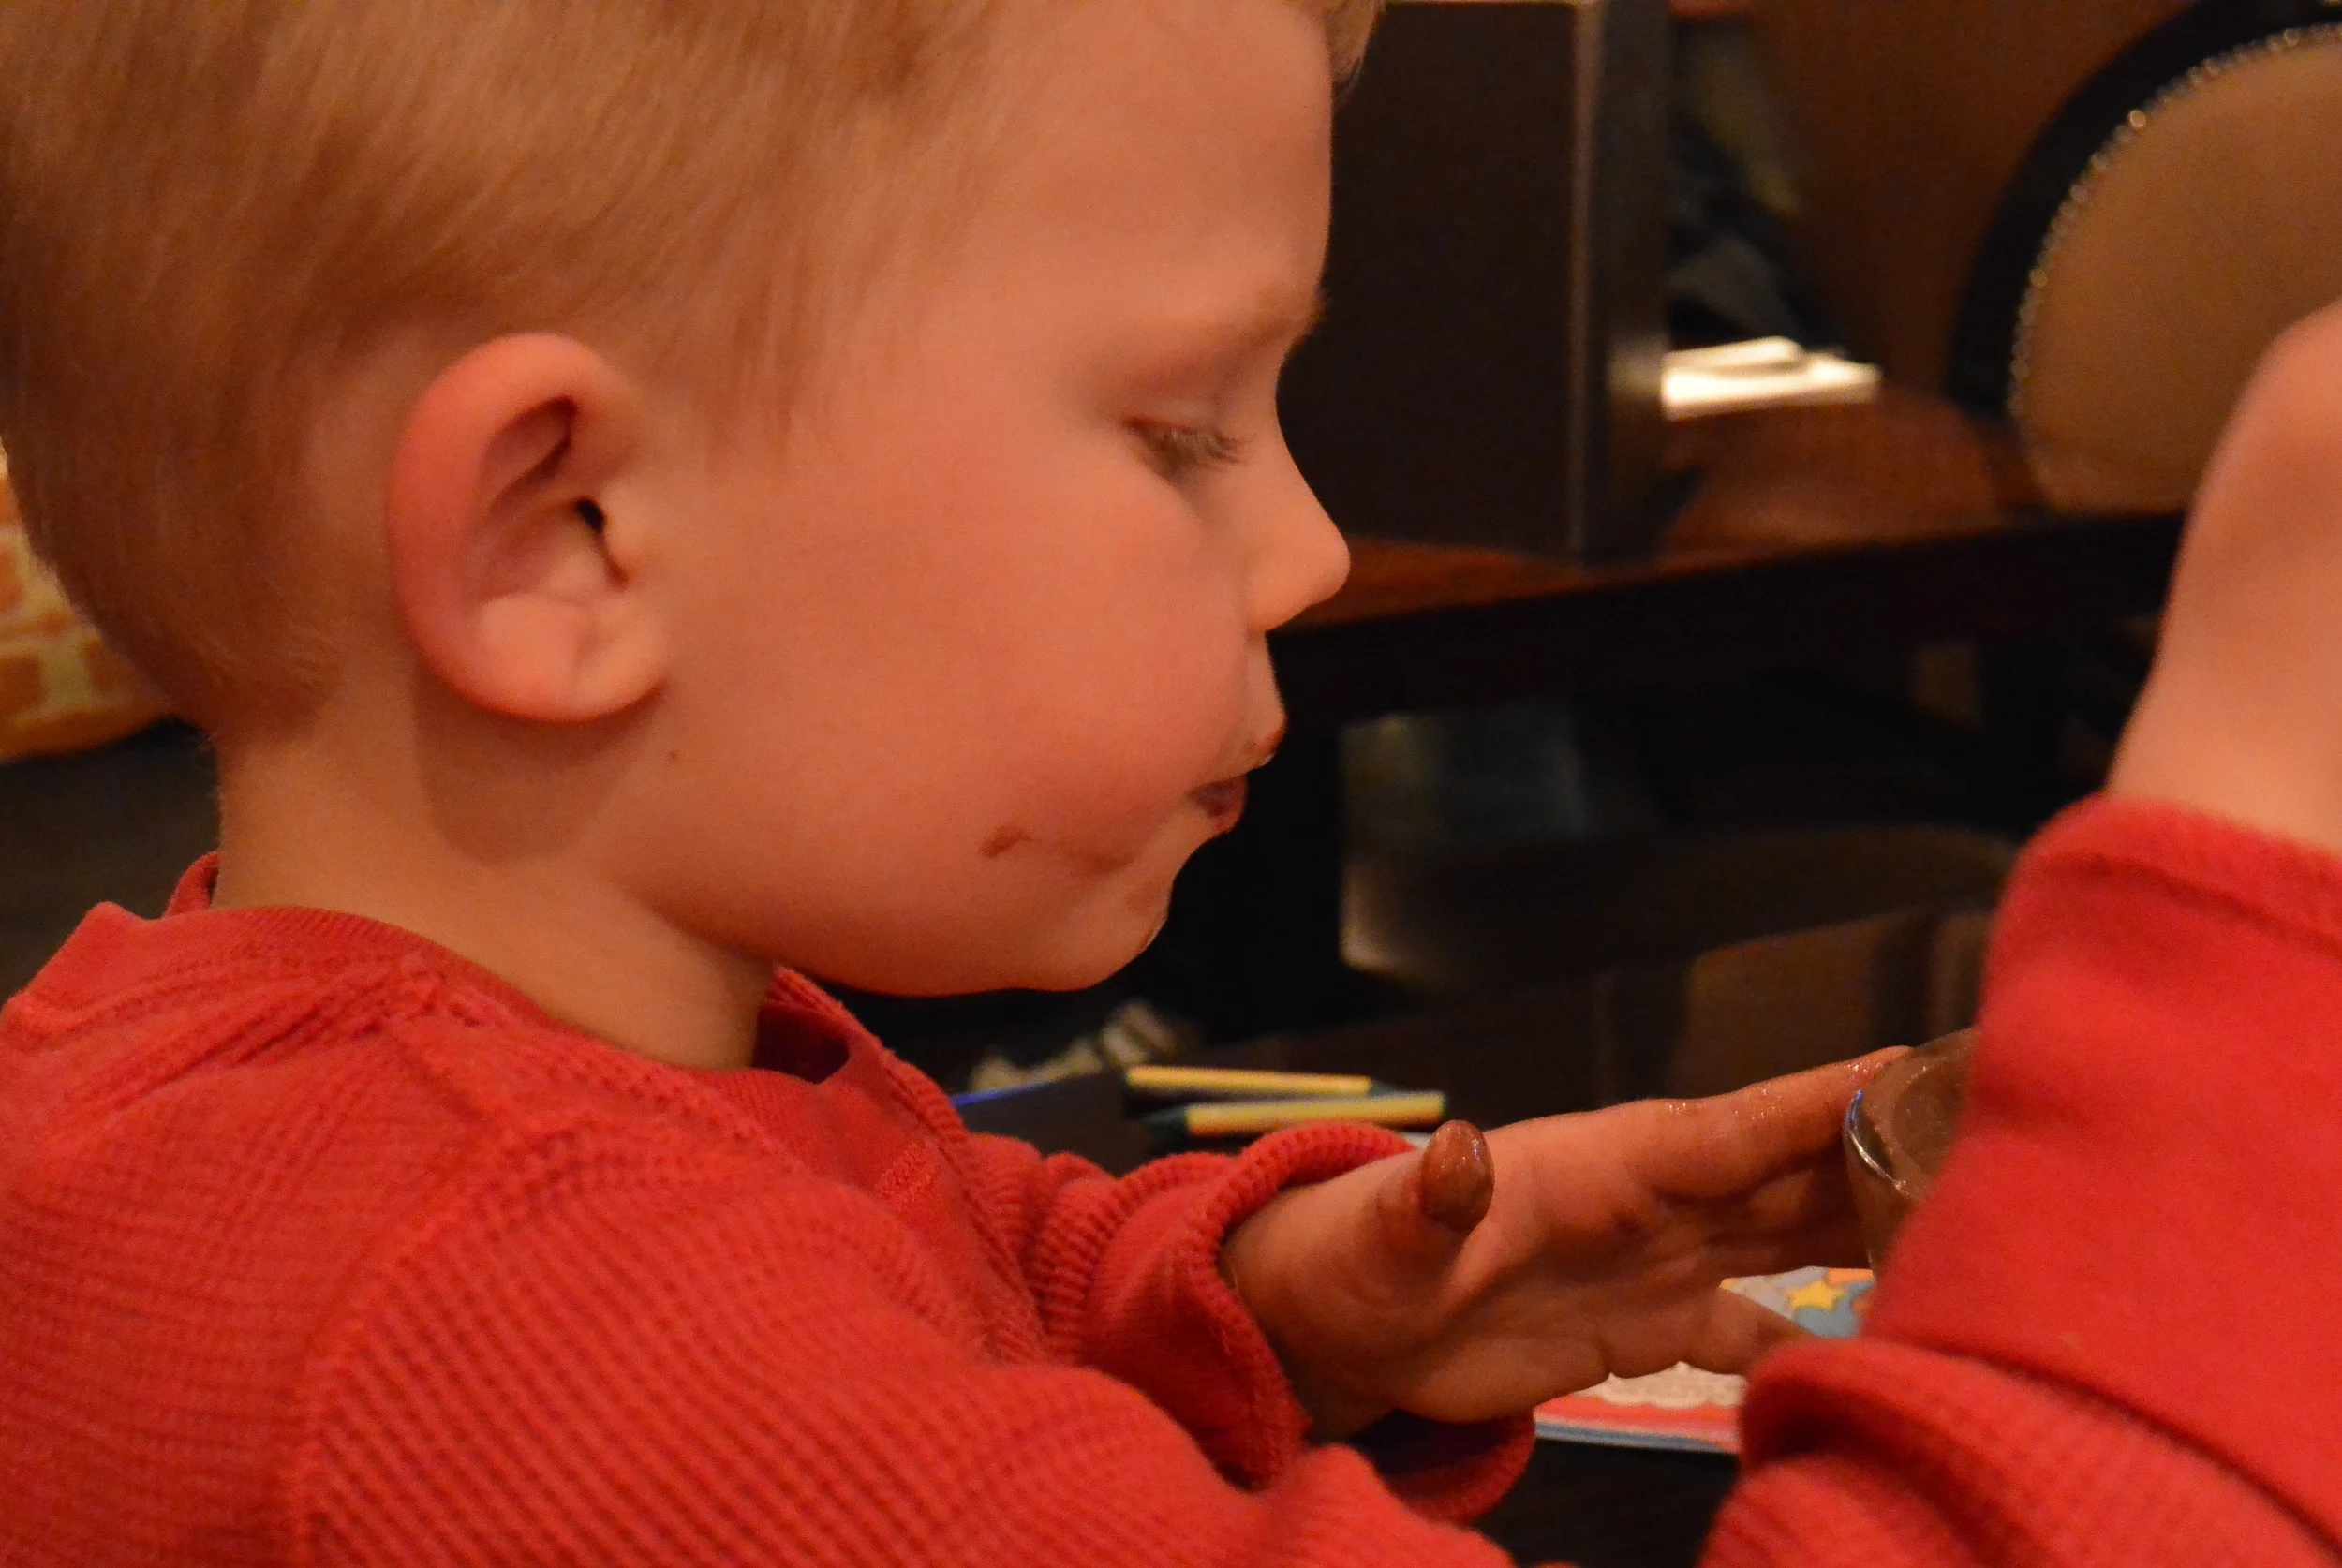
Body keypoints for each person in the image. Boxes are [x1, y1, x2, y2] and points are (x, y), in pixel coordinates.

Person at [0, 2, 2332, 1564]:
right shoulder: (522, 1332)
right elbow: (735, 1388)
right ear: (565, 534)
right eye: (1176, 429)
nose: (1303, 544)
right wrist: (2229, 996)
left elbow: (850, 1279)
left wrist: (1261, 1311)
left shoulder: (372, 1125)